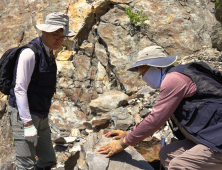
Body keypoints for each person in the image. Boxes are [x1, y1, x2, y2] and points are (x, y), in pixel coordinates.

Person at [98, 46, 222, 169]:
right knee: (167, 154)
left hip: (217, 138)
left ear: (157, 66)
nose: (143, 78)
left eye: (144, 72)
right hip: (210, 136)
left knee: (179, 165)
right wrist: (130, 132)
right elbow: (160, 115)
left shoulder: (174, 79)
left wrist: (123, 143)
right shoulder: (176, 75)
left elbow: (156, 119)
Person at [8, 12, 74, 170]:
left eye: (63, 36)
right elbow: (20, 89)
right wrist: (28, 124)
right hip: (23, 116)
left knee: (48, 161)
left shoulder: (49, 52)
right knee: (26, 166)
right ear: (44, 32)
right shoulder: (30, 53)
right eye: (56, 35)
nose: (59, 39)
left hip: (41, 115)